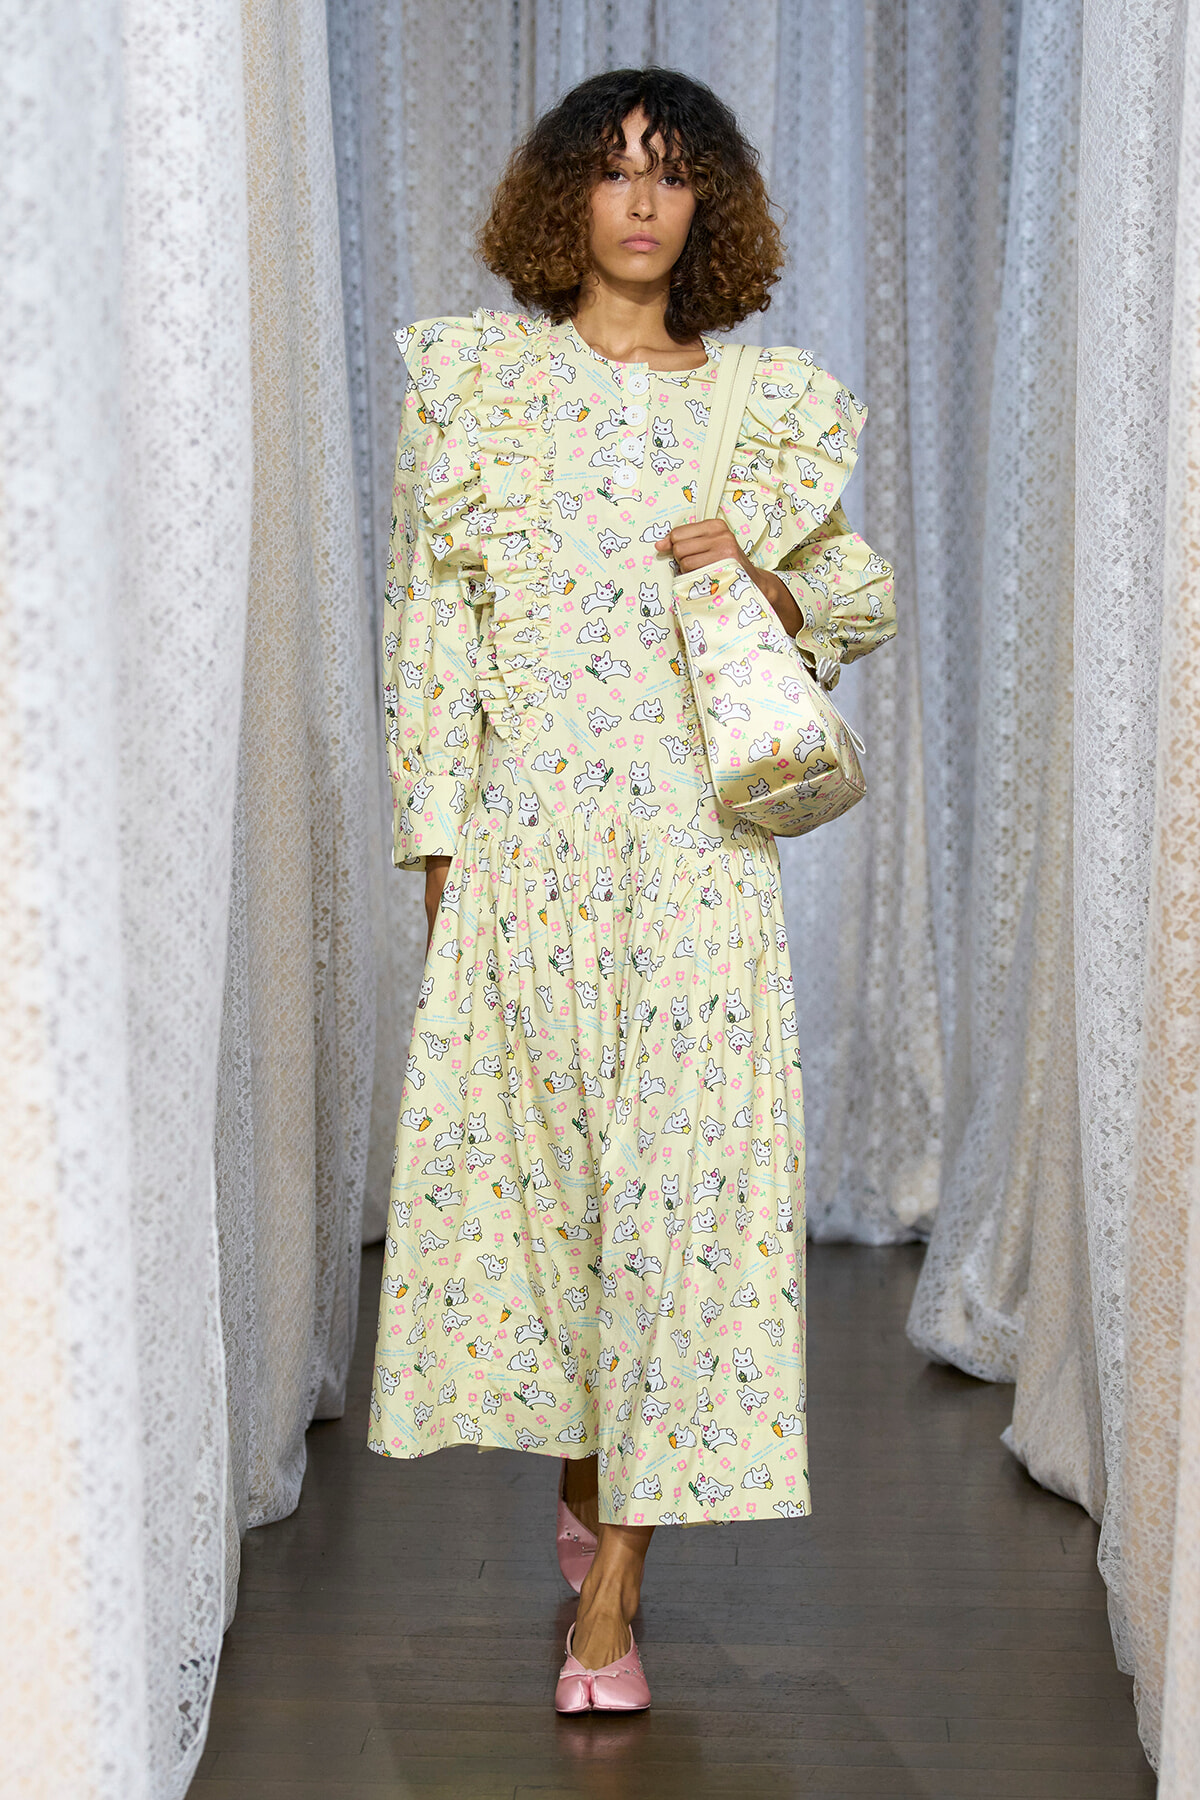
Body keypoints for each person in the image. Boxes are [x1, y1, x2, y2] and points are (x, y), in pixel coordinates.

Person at [368, 65, 895, 1713]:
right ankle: (591, 1471)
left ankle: (618, 1594)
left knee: (685, 1201)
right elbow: (429, 634)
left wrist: (766, 581)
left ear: (710, 203)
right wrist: (439, 851)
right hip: (525, 854)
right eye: (614, 170)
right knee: (557, 1199)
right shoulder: (476, 390)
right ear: (566, 199)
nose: (645, 200)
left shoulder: (764, 407)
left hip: (696, 863)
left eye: (674, 171)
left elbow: (858, 601)